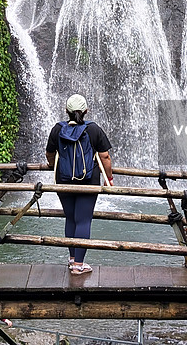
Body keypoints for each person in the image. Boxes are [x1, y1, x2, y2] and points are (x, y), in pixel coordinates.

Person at [46, 93, 113, 275]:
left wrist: (54, 166)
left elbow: (49, 154)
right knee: (83, 220)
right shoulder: (93, 129)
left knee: (71, 218)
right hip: (88, 180)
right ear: (85, 111)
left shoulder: (57, 129)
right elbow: (105, 157)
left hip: (64, 180)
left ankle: (72, 259)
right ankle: (79, 266)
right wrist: (110, 179)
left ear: (66, 111)